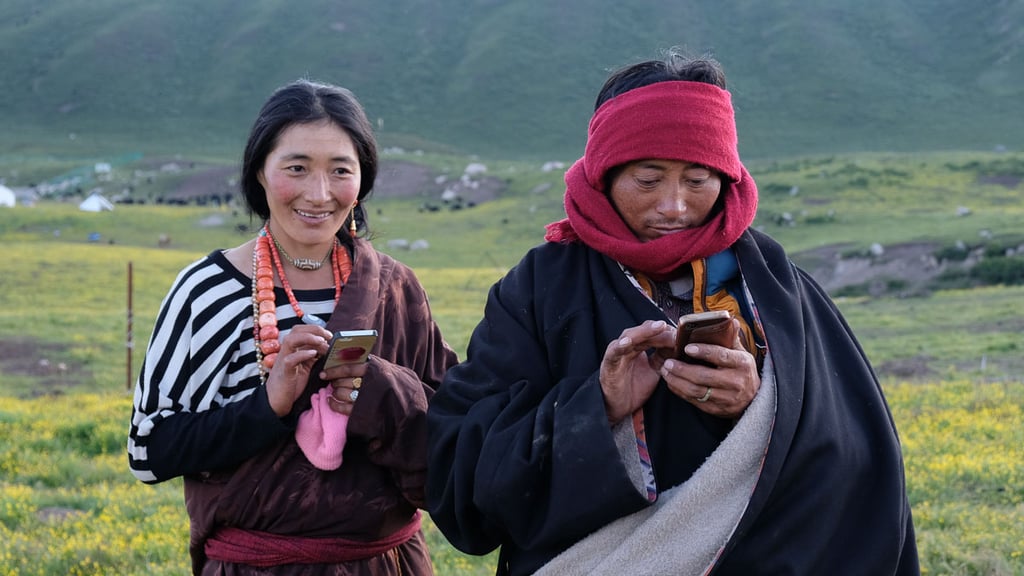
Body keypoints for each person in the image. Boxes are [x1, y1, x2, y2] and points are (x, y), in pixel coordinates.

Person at [425, 50, 919, 575]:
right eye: (648, 179)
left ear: (726, 178)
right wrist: (598, 407)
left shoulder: (774, 285)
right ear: (604, 175)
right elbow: (460, 471)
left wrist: (756, 404)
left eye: (698, 179)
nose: (674, 206)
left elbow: (859, 458)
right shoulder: (540, 288)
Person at [128, 79, 458, 575]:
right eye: (297, 168)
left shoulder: (395, 287)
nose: (319, 194)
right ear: (259, 171)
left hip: (389, 564)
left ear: (363, 179)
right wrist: (269, 405)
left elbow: (456, 430)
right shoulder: (207, 291)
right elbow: (148, 450)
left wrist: (383, 392)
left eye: (340, 170)